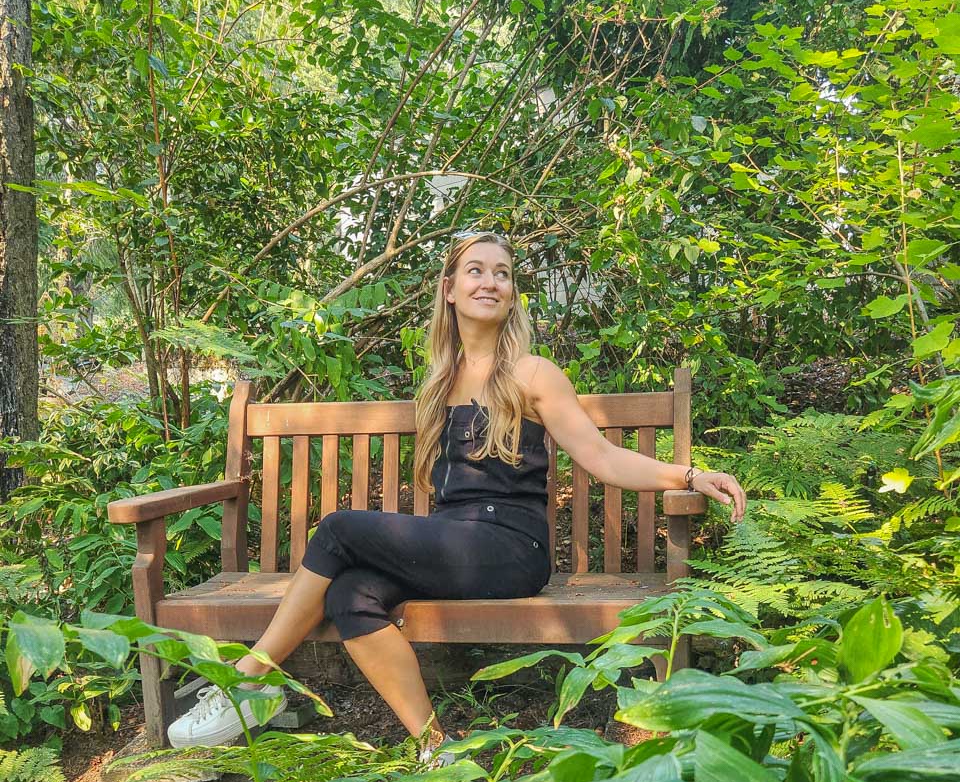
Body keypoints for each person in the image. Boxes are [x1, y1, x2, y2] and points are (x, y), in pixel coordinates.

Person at [166, 232, 746, 753]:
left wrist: (689, 476)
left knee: (339, 527)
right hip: (454, 540)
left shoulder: (533, 373)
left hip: (510, 548)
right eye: (476, 270)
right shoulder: (440, 379)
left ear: (513, 295)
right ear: (449, 288)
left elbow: (600, 456)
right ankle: (436, 746)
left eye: (502, 272)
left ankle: (248, 680)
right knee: (350, 595)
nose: (490, 281)